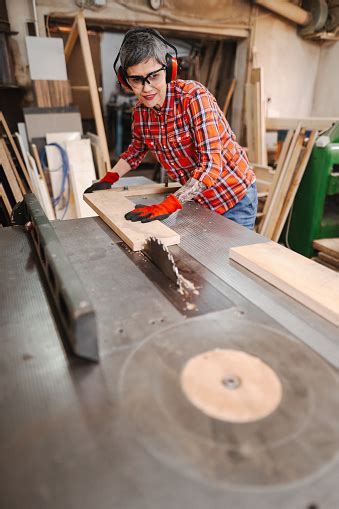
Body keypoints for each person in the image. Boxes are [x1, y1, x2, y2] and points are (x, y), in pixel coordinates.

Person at [84, 27, 258, 229]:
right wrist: (109, 178)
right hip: (198, 199)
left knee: (230, 259)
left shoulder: (194, 98)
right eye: (136, 80)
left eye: (154, 76)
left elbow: (211, 166)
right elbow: (136, 150)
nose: (146, 88)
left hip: (233, 197)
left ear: (169, 69)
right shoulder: (141, 112)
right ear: (125, 80)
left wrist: (169, 205)